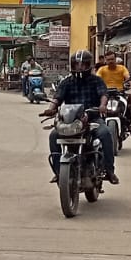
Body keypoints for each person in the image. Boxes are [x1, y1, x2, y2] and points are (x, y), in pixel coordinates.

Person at [41, 51, 117, 185]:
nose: (80, 67)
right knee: (53, 136)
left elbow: (103, 94)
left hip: (92, 119)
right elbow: (57, 98)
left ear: (88, 64)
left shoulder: (96, 80)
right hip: (70, 121)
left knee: (105, 133)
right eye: (77, 64)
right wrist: (51, 108)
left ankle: (109, 170)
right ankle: (59, 172)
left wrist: (102, 105)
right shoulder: (67, 82)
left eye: (83, 64)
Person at [96, 50, 131, 137]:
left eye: (112, 59)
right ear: (105, 61)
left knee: (126, 104)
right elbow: (97, 79)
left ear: (115, 59)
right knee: (97, 107)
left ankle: (129, 125)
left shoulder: (122, 68)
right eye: (108, 60)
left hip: (119, 93)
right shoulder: (102, 70)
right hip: (105, 94)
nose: (111, 61)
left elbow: (127, 77)